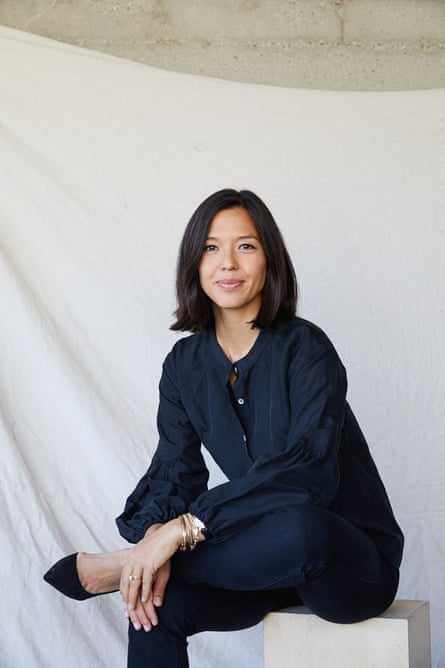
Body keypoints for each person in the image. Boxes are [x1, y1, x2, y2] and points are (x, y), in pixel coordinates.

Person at [44, 188, 403, 668]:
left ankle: (121, 566)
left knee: (299, 525)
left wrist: (181, 533)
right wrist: (157, 533)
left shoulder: (307, 348)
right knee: (156, 603)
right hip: (258, 562)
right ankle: (142, 563)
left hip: (347, 566)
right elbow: (175, 470)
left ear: (269, 261)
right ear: (194, 263)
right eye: (212, 248)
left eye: (246, 246)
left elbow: (307, 474)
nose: (227, 263)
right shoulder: (183, 366)